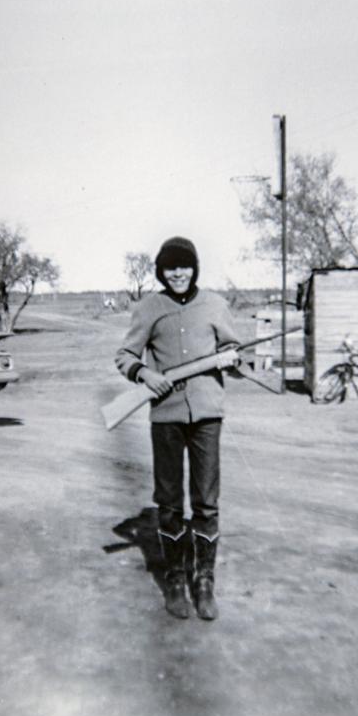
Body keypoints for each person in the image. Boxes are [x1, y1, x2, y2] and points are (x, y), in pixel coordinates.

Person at [115, 237, 239, 621]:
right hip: (166, 417)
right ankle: (174, 578)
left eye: (184, 266)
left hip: (207, 417)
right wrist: (145, 375)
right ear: (161, 272)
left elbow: (235, 355)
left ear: (195, 268)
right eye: (170, 268)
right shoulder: (149, 308)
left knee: (206, 501)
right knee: (168, 502)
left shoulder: (216, 305)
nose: (178, 274)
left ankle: (203, 582)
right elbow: (125, 356)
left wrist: (235, 359)